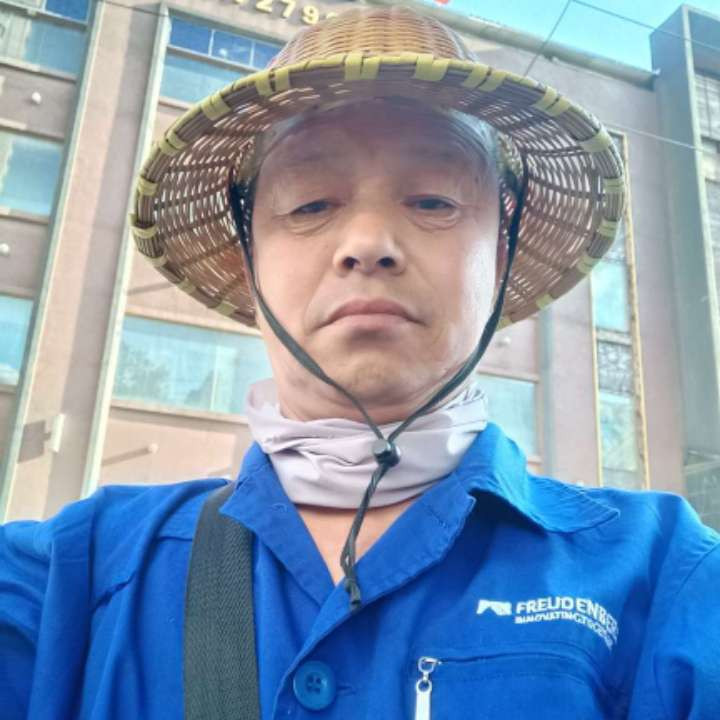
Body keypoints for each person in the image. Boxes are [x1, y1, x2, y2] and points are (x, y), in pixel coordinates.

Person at [1, 6, 718, 719]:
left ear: (499, 255)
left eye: (433, 200)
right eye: (310, 205)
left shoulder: (665, 574)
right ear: (248, 261)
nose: (369, 243)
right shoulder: (76, 572)